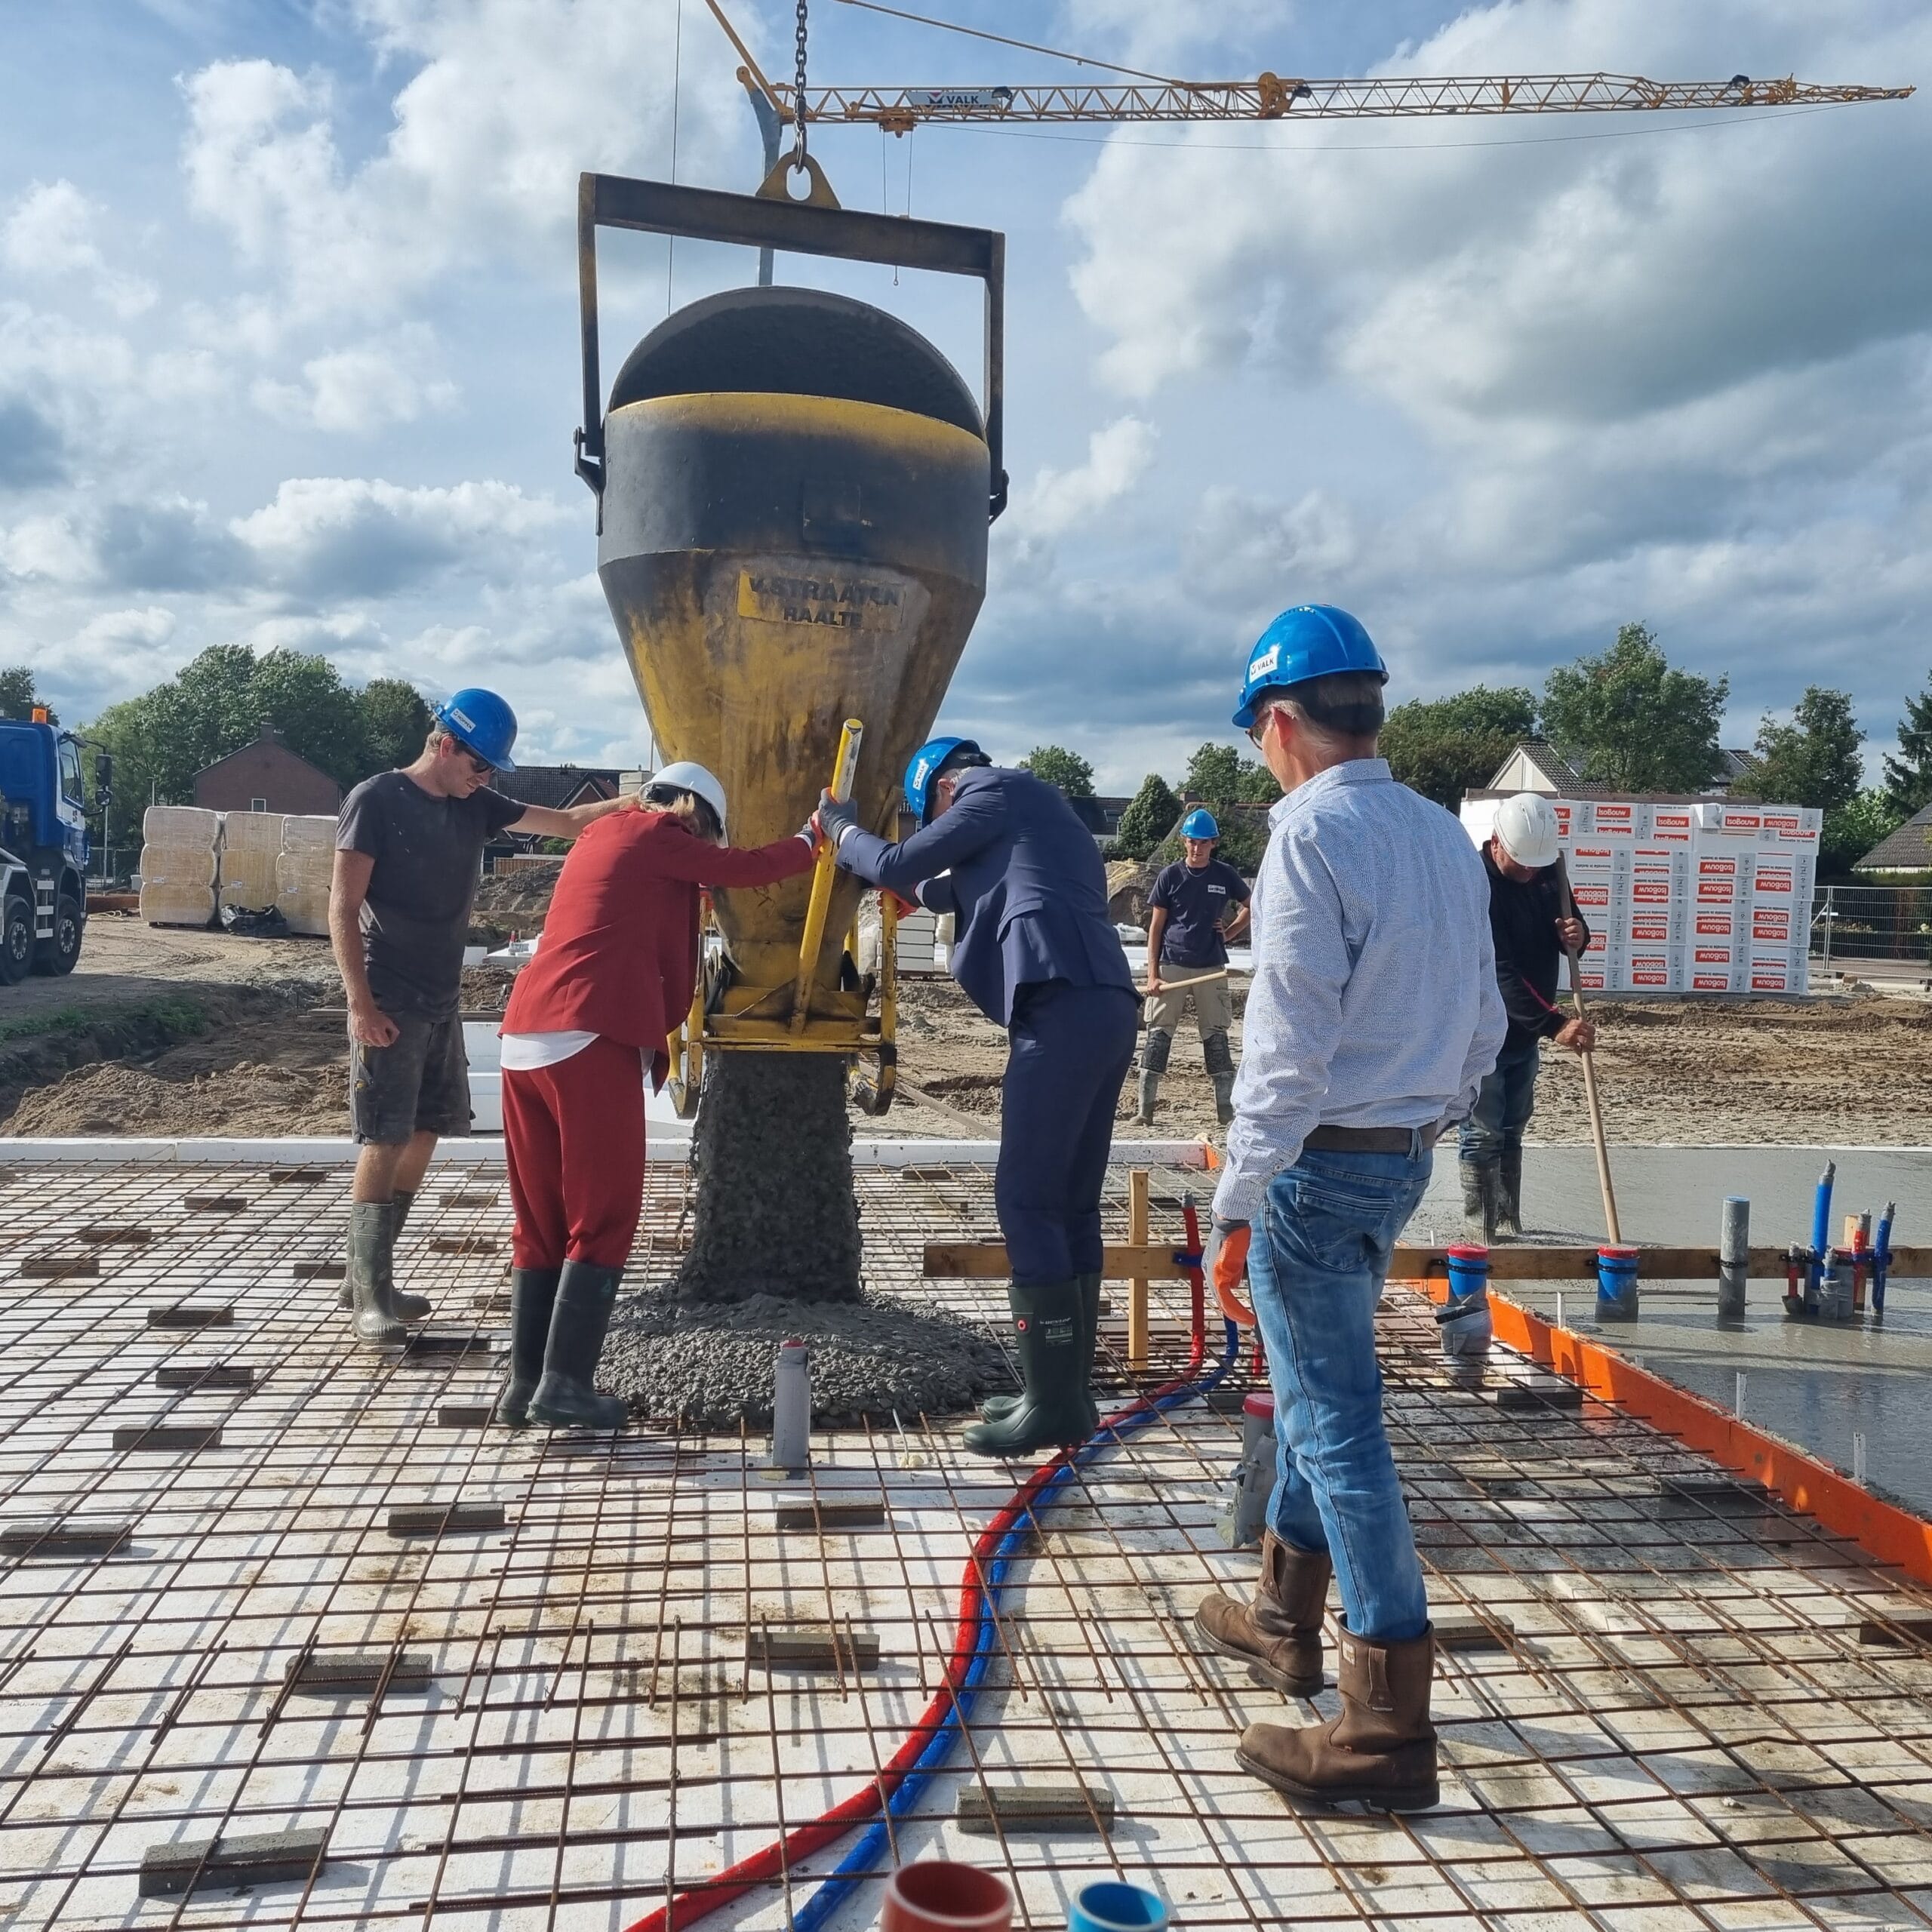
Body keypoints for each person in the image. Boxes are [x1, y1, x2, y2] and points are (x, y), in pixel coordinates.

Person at [1192, 605, 1505, 1813]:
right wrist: (1429, 1114)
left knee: (1336, 1422)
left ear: (1280, 724)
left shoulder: (1309, 839)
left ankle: (1383, 1732)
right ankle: (1282, 1617)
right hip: (1400, 1153)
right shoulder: (1436, 833)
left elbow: (1284, 1047)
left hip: (1319, 1168)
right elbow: (1483, 1017)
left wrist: (1236, 1203)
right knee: (1332, 1393)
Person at [817, 736, 1137, 1456]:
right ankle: (1063, 1393)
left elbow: (901, 863)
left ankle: (1052, 1404)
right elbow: (930, 887)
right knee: (1071, 1202)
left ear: (940, 791)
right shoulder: (1035, 820)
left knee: (1024, 1199)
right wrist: (884, 886)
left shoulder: (992, 791)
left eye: (924, 812)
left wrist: (838, 829)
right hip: (1102, 1004)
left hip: (1061, 1005)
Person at [491, 762, 818, 1429]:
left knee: (543, 1219)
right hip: (588, 1031)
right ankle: (565, 1387)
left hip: (524, 1036)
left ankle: (524, 1386)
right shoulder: (657, 831)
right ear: (691, 807)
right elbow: (751, 869)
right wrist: (816, 838)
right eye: (708, 829)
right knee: (605, 1214)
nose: (705, 842)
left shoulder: (600, 839)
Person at [331, 690, 632, 1347]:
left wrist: (642, 800)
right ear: (446, 744)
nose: (487, 778)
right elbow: (342, 906)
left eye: (493, 770)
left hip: (440, 999)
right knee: (384, 1136)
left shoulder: (476, 805)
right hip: (389, 997)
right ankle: (368, 1296)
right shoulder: (376, 800)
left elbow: (568, 822)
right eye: (482, 765)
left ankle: (366, 1279)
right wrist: (360, 1003)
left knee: (427, 1130)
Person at [1460, 792, 1594, 1240]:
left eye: (1537, 864)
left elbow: (1569, 928)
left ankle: (1506, 1222)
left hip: (1525, 1033)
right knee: (1484, 1131)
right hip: (1481, 1032)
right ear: (1497, 843)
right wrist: (1555, 1024)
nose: (1530, 872)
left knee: (1514, 1127)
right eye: (1523, 864)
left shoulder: (1547, 872)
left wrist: (1578, 934)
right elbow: (1500, 973)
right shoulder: (1477, 886)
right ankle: (1480, 1233)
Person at [1138, 808, 1252, 1126]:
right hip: (1171, 965)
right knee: (1159, 1034)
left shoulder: (1224, 874)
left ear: (1213, 844)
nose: (1197, 848)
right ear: (1184, 843)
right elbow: (1156, 930)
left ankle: (1225, 1113)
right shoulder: (1170, 876)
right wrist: (1152, 975)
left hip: (1211, 968)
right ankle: (1144, 1112)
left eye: (1203, 842)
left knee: (1216, 1036)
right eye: (1191, 842)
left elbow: (1250, 906)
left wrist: (1227, 934)